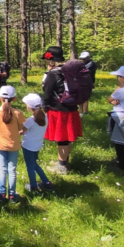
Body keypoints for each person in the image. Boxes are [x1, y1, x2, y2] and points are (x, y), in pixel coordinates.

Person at [42, 46, 82, 175]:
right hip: (71, 107)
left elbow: (47, 93)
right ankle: (64, 160)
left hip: (58, 110)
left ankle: (62, 167)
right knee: (67, 138)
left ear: (51, 60)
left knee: (62, 139)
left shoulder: (53, 73)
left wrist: (45, 107)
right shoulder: (71, 70)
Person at [0, 85, 25, 204]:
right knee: (12, 170)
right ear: (14, 98)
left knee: (2, 169)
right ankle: (12, 195)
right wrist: (19, 132)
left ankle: (2, 193)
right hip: (14, 145)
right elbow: (23, 127)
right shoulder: (18, 113)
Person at [21, 93, 52, 193]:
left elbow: (22, 131)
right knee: (34, 164)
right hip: (37, 145)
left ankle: (33, 187)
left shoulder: (31, 120)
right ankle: (46, 182)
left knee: (30, 167)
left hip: (28, 146)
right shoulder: (45, 117)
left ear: (29, 107)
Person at [79, 51, 97, 116]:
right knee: (79, 97)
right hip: (81, 81)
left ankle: (85, 112)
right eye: (82, 59)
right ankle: (81, 111)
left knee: (85, 98)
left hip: (87, 82)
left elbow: (83, 71)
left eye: (84, 58)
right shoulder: (82, 63)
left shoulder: (91, 64)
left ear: (88, 57)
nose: (83, 60)